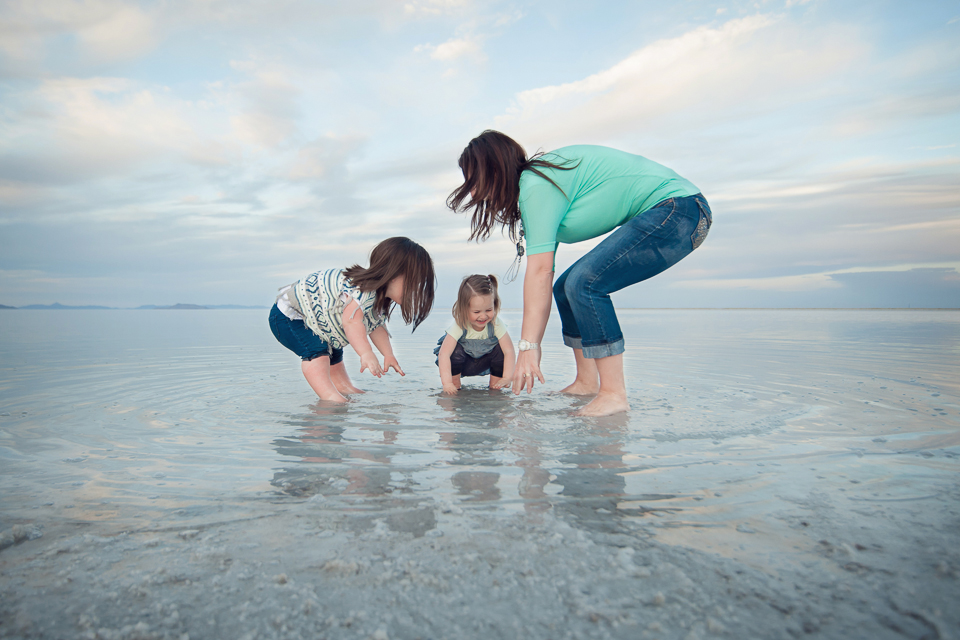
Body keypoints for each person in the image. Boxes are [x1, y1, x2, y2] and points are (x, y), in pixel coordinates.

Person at [447, 131, 712, 416]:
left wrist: (528, 347)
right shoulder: (540, 187)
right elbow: (545, 276)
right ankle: (587, 382)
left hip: (680, 209)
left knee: (585, 283)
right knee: (566, 287)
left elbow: (539, 272)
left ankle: (613, 394)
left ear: (494, 169)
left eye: (473, 179)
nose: (472, 191)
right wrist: (530, 344)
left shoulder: (536, 184)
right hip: (680, 214)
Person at [269, 237, 435, 403]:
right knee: (316, 350)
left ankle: (344, 388)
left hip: (313, 321)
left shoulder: (379, 299)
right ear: (394, 275)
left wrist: (388, 354)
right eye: (414, 283)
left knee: (334, 352)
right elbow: (351, 322)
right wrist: (366, 353)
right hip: (289, 316)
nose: (416, 290)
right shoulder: (363, 290)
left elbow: (375, 327)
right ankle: (329, 397)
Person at [434, 274, 515, 394]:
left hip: (485, 362)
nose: (483, 316)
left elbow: (509, 351)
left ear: (495, 305)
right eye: (476, 312)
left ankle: (495, 389)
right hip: (463, 364)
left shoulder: (496, 324)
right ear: (464, 309)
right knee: (454, 349)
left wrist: (507, 377)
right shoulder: (460, 324)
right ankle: (455, 387)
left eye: (488, 310)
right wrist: (447, 383)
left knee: (501, 349)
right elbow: (444, 354)